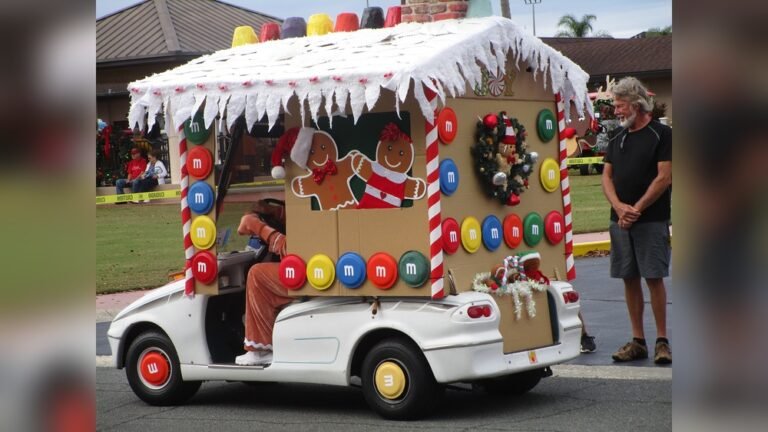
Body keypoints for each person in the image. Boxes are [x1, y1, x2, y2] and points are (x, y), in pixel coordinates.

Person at [601, 77, 672, 365]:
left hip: (651, 220)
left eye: (620, 106)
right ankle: (638, 340)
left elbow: (665, 176)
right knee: (629, 278)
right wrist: (619, 208)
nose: (616, 111)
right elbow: (606, 176)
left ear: (637, 104)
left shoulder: (662, 134)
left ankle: (662, 341)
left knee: (653, 277)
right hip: (619, 221)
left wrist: (637, 209)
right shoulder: (618, 137)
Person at [234, 200, 291, 366]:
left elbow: (293, 250)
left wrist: (260, 228)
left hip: (315, 274)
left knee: (257, 274)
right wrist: (275, 212)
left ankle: (260, 350)